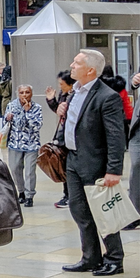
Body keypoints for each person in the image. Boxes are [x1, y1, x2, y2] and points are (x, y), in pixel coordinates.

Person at [57, 49, 128, 276]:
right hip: (74, 160)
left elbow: (116, 136)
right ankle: (91, 257)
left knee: (103, 213)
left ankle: (115, 259)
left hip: (95, 162)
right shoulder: (74, 93)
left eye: (77, 63)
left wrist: (114, 170)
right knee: (80, 212)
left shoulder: (107, 97)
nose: (72, 65)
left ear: (90, 70)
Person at [0, 85, 44, 206]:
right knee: (14, 168)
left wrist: (27, 113)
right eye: (22, 92)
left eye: (27, 92)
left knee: (30, 171)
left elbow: (37, 125)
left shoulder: (37, 108)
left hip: (31, 143)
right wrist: (7, 119)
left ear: (31, 93)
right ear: (18, 94)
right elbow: (6, 123)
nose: (24, 95)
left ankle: (30, 195)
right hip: (15, 142)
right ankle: (21, 191)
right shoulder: (11, 106)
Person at [44, 72, 77, 207]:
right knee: (63, 167)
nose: (60, 87)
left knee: (69, 168)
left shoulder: (76, 96)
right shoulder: (64, 94)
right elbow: (59, 111)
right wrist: (51, 100)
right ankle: (67, 195)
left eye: (62, 84)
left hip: (72, 136)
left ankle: (71, 196)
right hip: (63, 136)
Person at [125, 72, 140, 230]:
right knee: (136, 167)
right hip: (138, 127)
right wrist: (135, 81)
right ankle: (134, 214)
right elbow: (134, 82)